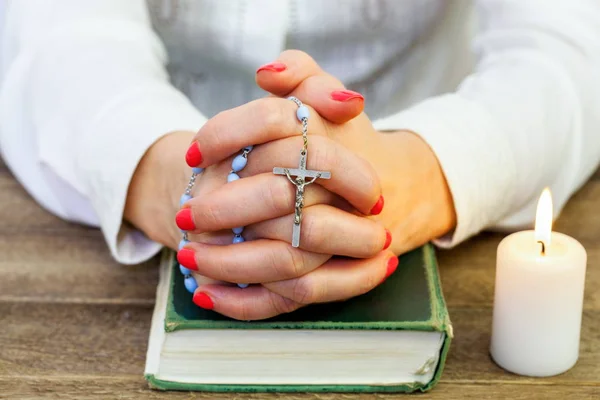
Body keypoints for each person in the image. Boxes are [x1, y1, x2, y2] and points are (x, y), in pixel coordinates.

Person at [1, 0, 599, 320]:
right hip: (153, 158)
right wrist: (169, 176)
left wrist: (415, 173)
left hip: (409, 144)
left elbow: (567, 50)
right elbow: (62, 36)